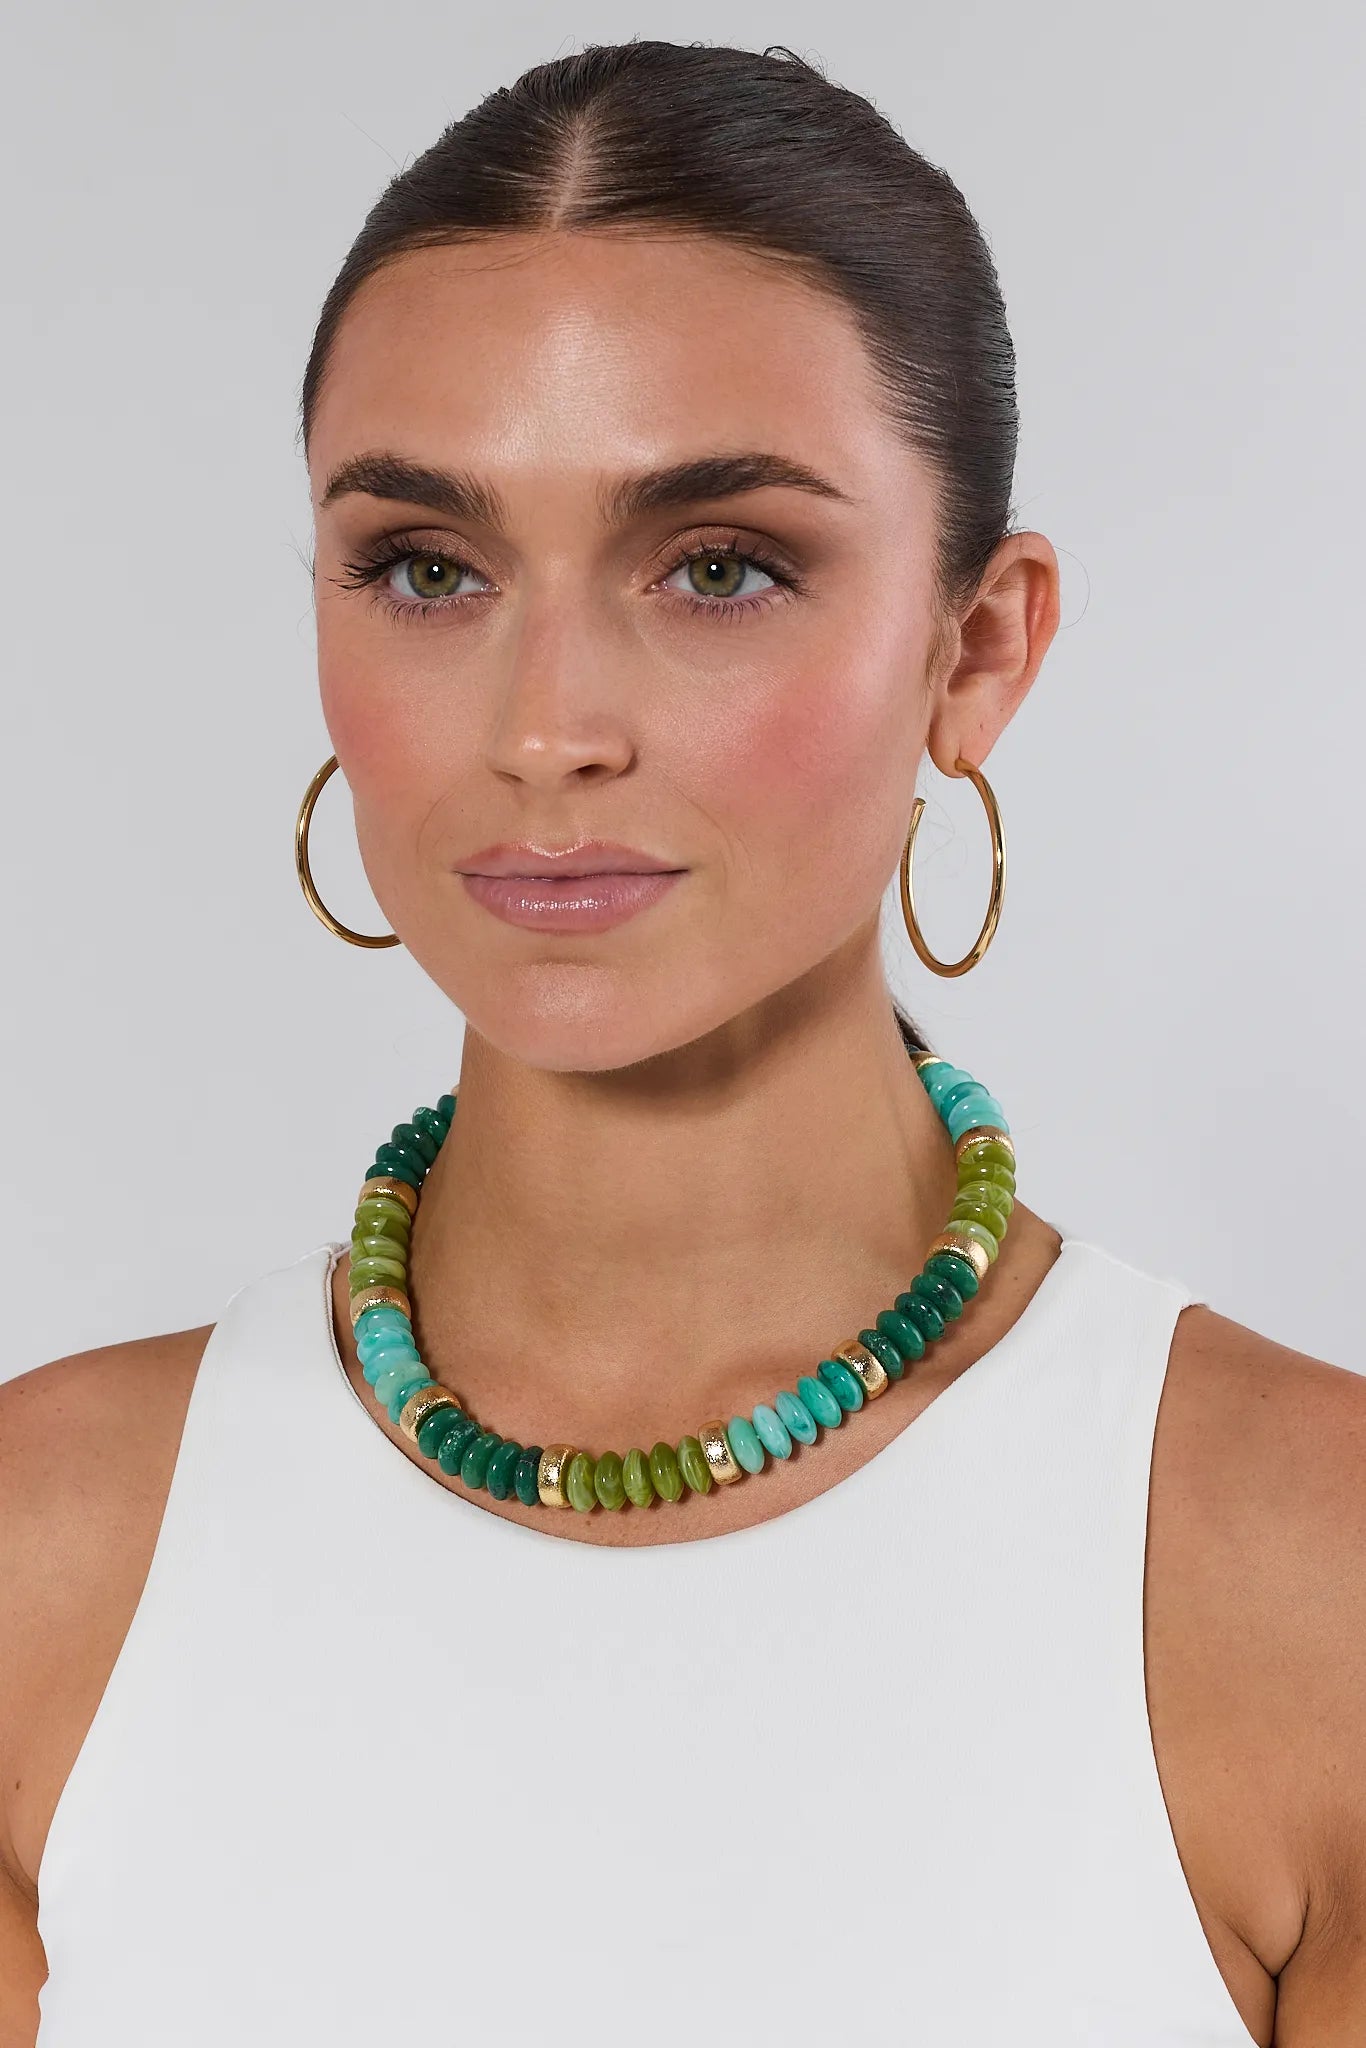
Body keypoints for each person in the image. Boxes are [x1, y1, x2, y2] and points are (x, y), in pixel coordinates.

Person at [2, 36, 1362, 2048]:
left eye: (716, 565)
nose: (547, 724)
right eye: (426, 567)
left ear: (974, 645)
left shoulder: (1307, 1590)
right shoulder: (45, 1564)